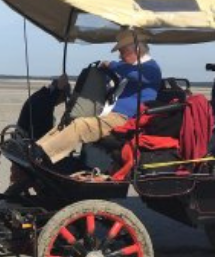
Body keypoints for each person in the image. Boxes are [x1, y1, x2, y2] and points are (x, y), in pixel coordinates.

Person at [33, 29, 162, 165]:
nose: (120, 56)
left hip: (125, 120)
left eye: (122, 51)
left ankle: (43, 155)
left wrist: (111, 65)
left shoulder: (151, 68)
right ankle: (37, 147)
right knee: (70, 121)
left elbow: (133, 74)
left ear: (136, 49)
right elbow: (122, 77)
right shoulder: (132, 68)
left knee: (81, 125)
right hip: (111, 115)